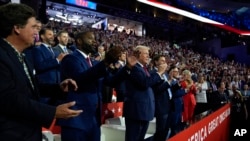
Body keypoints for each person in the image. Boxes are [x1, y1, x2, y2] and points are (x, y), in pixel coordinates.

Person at [0, 3, 82, 141]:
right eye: (33, 27)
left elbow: (29, 88)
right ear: (17, 28)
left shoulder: (21, 55)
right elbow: (8, 99)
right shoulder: (2, 56)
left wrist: (57, 88)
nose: (36, 33)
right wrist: (52, 112)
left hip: (27, 131)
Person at [57, 31, 128, 141]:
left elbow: (111, 81)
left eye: (95, 39)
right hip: (76, 118)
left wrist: (127, 68)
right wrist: (106, 62)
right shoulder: (70, 59)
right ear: (79, 41)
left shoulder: (93, 62)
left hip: (93, 119)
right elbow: (80, 80)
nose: (94, 41)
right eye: (90, 39)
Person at [123, 45, 167, 141]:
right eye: (146, 54)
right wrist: (159, 73)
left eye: (148, 54)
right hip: (136, 112)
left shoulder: (142, 68)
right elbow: (145, 83)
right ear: (137, 54)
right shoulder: (134, 68)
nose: (148, 56)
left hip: (143, 111)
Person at [150, 54, 171, 141]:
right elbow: (155, 90)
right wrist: (168, 83)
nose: (164, 62)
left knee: (165, 130)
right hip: (160, 106)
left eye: (164, 61)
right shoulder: (153, 73)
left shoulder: (165, 73)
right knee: (160, 131)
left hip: (167, 105)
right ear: (156, 62)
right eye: (162, 60)